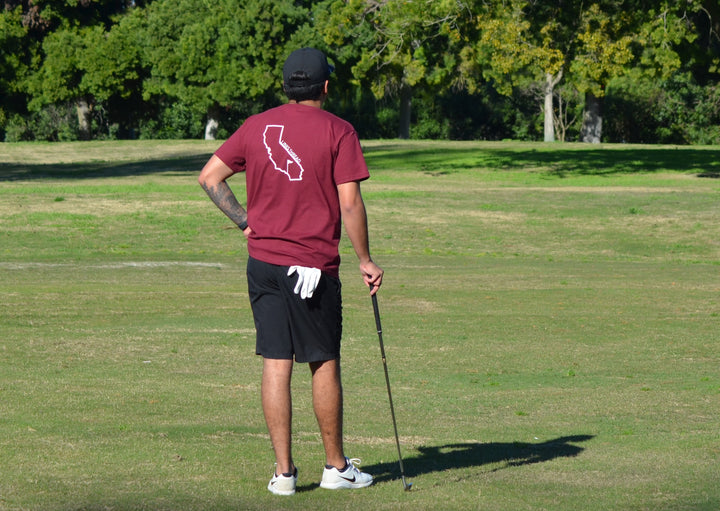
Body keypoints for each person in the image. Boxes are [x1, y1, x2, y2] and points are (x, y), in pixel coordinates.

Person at [198, 47, 384, 496]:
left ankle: (284, 475)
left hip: (263, 264)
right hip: (312, 269)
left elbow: (209, 177)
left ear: (285, 86)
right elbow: (351, 202)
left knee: (276, 362)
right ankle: (336, 468)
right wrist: (365, 259)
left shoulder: (256, 126)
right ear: (325, 86)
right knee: (322, 361)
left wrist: (245, 222)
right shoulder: (339, 130)